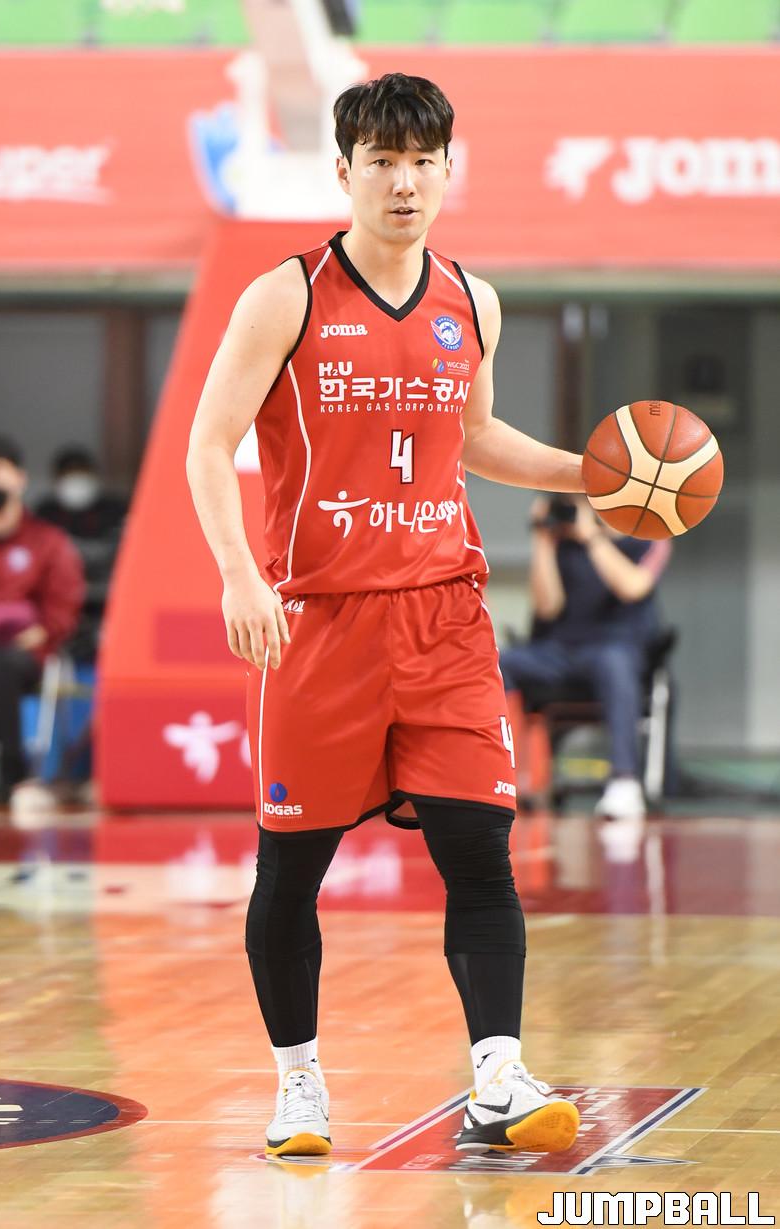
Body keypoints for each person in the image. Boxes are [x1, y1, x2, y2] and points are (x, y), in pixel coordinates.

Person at [186, 74, 585, 1159]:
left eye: (422, 162)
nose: (404, 183)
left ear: (448, 169)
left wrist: (590, 472)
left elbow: (476, 437)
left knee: (480, 847)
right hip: (319, 621)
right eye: (382, 162)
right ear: (344, 171)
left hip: (445, 616)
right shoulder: (286, 295)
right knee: (291, 870)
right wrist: (239, 574)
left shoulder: (472, 299)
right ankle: (299, 1083)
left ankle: (497, 1075)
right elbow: (208, 443)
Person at [499, 494, 672, 821]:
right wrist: (542, 539)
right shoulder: (561, 542)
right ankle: (502, 775)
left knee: (614, 662)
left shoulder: (649, 539)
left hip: (616, 651)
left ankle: (624, 781)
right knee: (501, 662)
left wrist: (592, 536)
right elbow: (547, 606)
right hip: (559, 653)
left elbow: (632, 587)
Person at [0, 435, 85, 817]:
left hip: (22, 654)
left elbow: (64, 606)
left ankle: (12, 775)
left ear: (20, 477)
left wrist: (44, 631)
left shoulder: (49, 542)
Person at [35, 446, 127, 662]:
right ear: (56, 479)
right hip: (59, 590)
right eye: (69, 473)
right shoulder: (45, 511)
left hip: (108, 588)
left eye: (81, 472)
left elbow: (124, 546)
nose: (76, 480)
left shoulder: (115, 508)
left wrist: (71, 548)